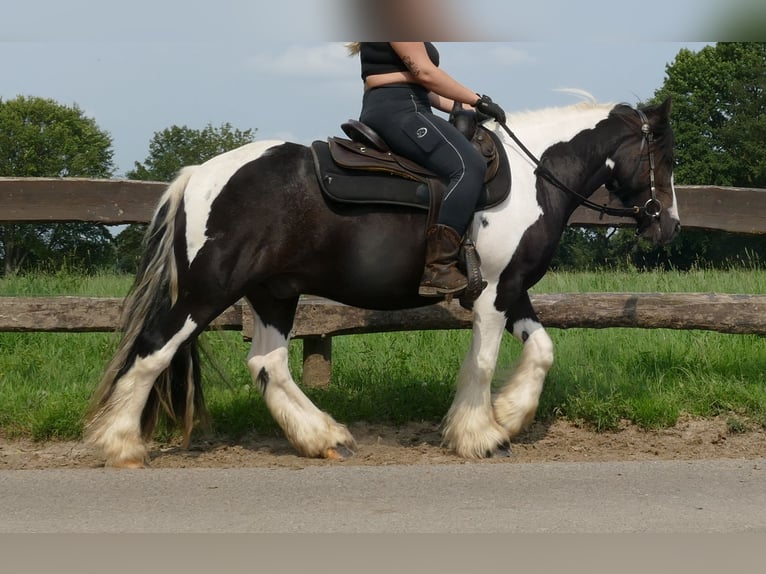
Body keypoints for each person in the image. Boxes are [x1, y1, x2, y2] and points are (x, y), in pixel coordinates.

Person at [347, 42, 506, 297]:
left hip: (409, 104)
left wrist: (467, 107)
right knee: (468, 166)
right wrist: (479, 100)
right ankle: (440, 267)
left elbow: (425, 87)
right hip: (400, 109)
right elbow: (425, 73)